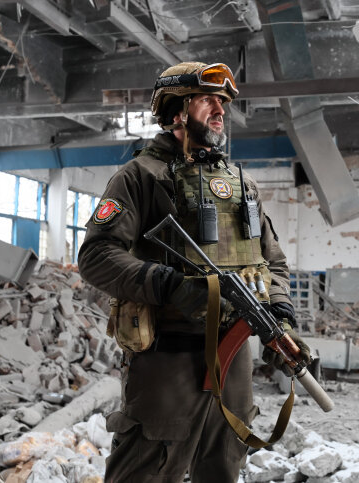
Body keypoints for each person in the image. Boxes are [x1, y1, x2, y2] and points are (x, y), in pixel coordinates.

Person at [78, 61, 309, 482]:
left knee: (224, 463)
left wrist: (279, 315)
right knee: (148, 467)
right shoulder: (140, 177)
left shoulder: (241, 185)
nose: (220, 110)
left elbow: (272, 261)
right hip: (168, 355)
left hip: (234, 356)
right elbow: (97, 255)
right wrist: (170, 286)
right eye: (207, 100)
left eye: (223, 102)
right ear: (177, 111)